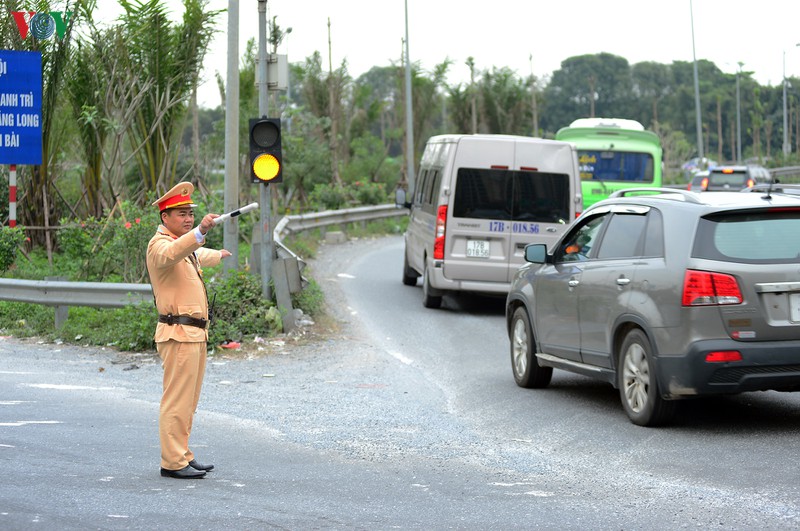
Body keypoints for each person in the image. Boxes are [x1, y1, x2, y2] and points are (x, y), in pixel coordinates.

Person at [146, 182, 232, 479]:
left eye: (190, 214)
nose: (187, 218)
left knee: (189, 401)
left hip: (194, 334)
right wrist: (200, 232)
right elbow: (174, 253)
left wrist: (217, 254)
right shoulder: (160, 246)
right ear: (165, 217)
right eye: (181, 214)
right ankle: (172, 462)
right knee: (177, 400)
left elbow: (195, 254)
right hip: (178, 333)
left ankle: (182, 453)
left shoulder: (181, 243)